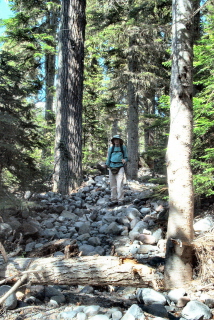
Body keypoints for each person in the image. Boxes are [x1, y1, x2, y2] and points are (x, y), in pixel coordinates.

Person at [105, 135, 128, 206]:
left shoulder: (123, 147)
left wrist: (125, 160)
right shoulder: (111, 148)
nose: (116, 141)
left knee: (119, 184)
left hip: (120, 167)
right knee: (112, 184)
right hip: (111, 167)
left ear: (120, 141)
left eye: (117, 140)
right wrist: (106, 164)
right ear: (113, 141)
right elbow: (108, 158)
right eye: (115, 140)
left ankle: (120, 200)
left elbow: (126, 157)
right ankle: (113, 199)